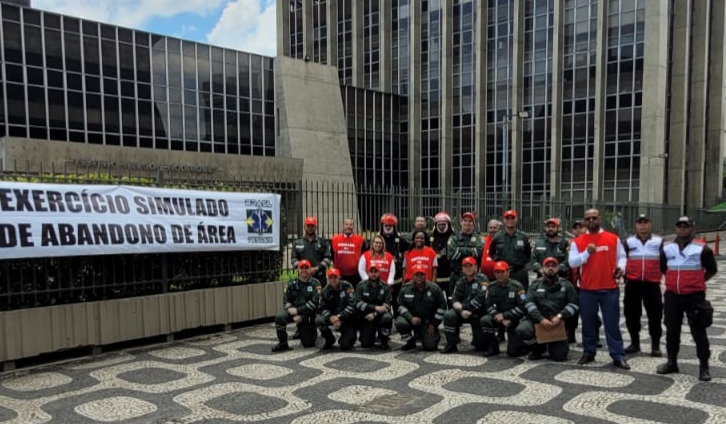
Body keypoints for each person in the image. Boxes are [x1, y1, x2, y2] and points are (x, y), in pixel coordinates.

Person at [657, 216, 718, 381]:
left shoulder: (702, 248)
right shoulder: (667, 248)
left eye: (686, 226)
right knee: (671, 331)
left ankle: (704, 367)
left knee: (698, 332)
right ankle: (671, 363)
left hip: (695, 297)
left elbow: (712, 270)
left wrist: (696, 282)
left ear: (692, 228)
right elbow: (663, 268)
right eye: (679, 226)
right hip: (672, 296)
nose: (682, 229)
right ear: (675, 229)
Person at [568, 208, 630, 370]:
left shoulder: (613, 238)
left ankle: (618, 355)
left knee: (612, 324)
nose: (591, 221)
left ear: (600, 218)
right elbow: (573, 263)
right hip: (587, 289)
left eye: (594, 218)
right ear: (584, 221)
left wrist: (621, 268)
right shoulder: (578, 241)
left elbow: (622, 257)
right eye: (587, 219)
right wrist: (586, 253)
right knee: (588, 324)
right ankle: (589, 352)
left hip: (609, 289)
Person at [517, 257, 579, 361]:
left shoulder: (566, 285)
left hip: (557, 324)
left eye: (554, 266)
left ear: (558, 268)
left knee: (559, 357)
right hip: (537, 321)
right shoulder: (535, 285)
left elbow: (574, 304)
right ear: (543, 268)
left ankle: (553, 343)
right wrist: (541, 319)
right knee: (522, 330)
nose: (551, 268)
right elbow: (529, 304)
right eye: (547, 266)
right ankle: (538, 348)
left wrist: (560, 316)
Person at [622, 214, 664, 357]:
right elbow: (621, 260)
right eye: (640, 223)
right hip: (633, 284)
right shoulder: (628, 241)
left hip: (652, 285)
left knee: (655, 316)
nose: (642, 226)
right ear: (636, 225)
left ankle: (655, 345)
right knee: (631, 315)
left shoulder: (659, 242)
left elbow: (665, 261)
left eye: (645, 223)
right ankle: (635, 342)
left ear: (650, 224)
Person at [441, 257, 489, 353]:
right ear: (462, 269)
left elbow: (480, 299)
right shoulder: (460, 280)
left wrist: (463, 307)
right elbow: (454, 299)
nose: (468, 268)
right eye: (465, 266)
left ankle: (480, 341)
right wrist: (461, 311)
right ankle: (451, 343)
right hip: (463, 312)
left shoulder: (483, 279)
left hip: (478, 313)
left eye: (470, 266)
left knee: (480, 346)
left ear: (476, 267)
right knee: (449, 315)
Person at [272, 260, 322, 352]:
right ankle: (283, 343)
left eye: (306, 268)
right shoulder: (291, 283)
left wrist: (300, 313)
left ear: (310, 269)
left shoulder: (315, 283)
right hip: (294, 313)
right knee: (279, 317)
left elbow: (315, 304)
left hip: (308, 315)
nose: (304, 270)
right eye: (301, 268)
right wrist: (293, 313)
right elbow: (286, 301)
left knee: (308, 344)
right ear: (298, 269)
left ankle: (307, 330)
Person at [395, 263, 448, 351]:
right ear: (413, 275)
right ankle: (410, 342)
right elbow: (399, 305)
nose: (419, 277)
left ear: (425, 275)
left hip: (428, 323)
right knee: (400, 322)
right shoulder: (405, 289)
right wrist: (410, 317)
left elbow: (442, 306)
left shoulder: (434, 288)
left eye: (421, 274)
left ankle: (430, 333)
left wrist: (434, 324)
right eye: (416, 274)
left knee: (430, 346)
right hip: (411, 321)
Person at [480, 261, 527, 357]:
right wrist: (497, 316)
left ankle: (522, 345)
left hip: (514, 319)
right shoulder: (491, 287)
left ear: (508, 272)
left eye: (502, 272)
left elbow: (522, 307)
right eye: (497, 272)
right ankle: (493, 345)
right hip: (498, 317)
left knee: (513, 352)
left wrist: (506, 316)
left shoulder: (517, 286)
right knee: (485, 320)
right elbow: (488, 305)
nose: (499, 275)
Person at [490, 210, 532, 291]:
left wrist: (520, 263)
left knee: (521, 295)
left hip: (519, 273)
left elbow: (528, 255)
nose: (510, 220)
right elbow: (492, 253)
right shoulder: (497, 237)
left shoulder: (523, 237)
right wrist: (499, 262)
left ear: (516, 219)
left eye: (512, 218)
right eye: (507, 218)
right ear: (503, 220)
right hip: (502, 273)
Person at [316, 268, 358, 351]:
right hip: (332, 317)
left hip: (346, 318)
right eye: (330, 277)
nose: (333, 280)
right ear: (327, 279)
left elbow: (352, 305)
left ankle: (350, 336)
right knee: (319, 320)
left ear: (339, 277)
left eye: (335, 277)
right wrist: (330, 317)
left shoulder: (347, 286)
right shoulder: (325, 291)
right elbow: (322, 308)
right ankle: (329, 339)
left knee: (345, 346)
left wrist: (339, 317)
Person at [355, 263, 393, 350]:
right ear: (368, 273)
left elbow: (387, 305)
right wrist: (374, 308)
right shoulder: (361, 286)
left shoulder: (385, 286)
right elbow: (358, 303)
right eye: (371, 271)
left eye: (375, 271)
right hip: (366, 317)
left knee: (388, 317)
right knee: (366, 344)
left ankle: (384, 339)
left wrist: (375, 313)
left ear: (379, 272)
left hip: (380, 315)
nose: (373, 274)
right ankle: (367, 333)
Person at [447, 212, 484, 292]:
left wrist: (460, 250)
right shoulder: (453, 238)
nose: (467, 223)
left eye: (470, 221)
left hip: (474, 277)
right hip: (457, 276)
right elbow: (452, 255)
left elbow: (478, 253)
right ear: (461, 222)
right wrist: (471, 250)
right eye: (465, 220)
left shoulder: (479, 238)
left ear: (473, 224)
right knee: (454, 300)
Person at [292, 216, 332, 286]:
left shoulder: (323, 242)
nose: (310, 228)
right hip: (303, 278)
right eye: (308, 226)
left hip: (320, 278)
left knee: (320, 296)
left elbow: (328, 259)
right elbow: (293, 260)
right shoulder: (297, 243)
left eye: (312, 226)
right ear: (304, 227)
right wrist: (304, 270)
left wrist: (317, 268)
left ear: (315, 227)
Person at [331, 218, 367, 288]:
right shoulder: (335, 239)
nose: (348, 226)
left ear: (353, 227)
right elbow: (332, 255)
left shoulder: (360, 240)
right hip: (339, 275)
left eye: (351, 225)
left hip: (355, 275)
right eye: (346, 224)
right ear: (343, 226)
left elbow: (363, 256)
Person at [430, 211, 454, 293]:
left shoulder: (453, 237)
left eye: (443, 224)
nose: (441, 226)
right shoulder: (430, 237)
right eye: (439, 224)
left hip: (450, 273)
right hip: (435, 274)